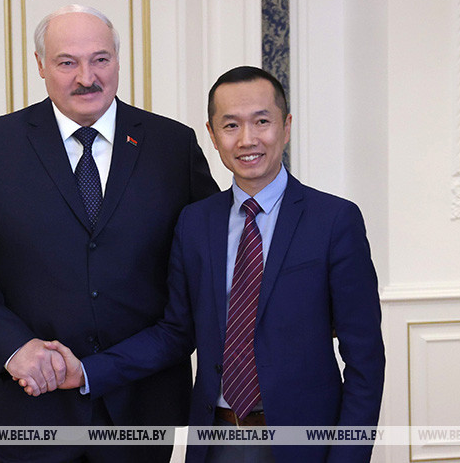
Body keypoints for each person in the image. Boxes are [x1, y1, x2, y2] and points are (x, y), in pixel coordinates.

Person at [46, 66, 385, 462]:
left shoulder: (334, 221)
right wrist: (88, 372)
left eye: (262, 122)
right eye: (231, 125)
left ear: (286, 126)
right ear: (212, 134)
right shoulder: (195, 223)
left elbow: (365, 359)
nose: (247, 139)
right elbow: (175, 333)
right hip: (215, 440)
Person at [0, 4, 218, 462]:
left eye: (100, 59)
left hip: (141, 408)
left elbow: (210, 260)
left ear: (118, 60)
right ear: (41, 65)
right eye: (67, 62)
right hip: (30, 408)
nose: (87, 77)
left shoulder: (172, 146)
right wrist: (14, 348)